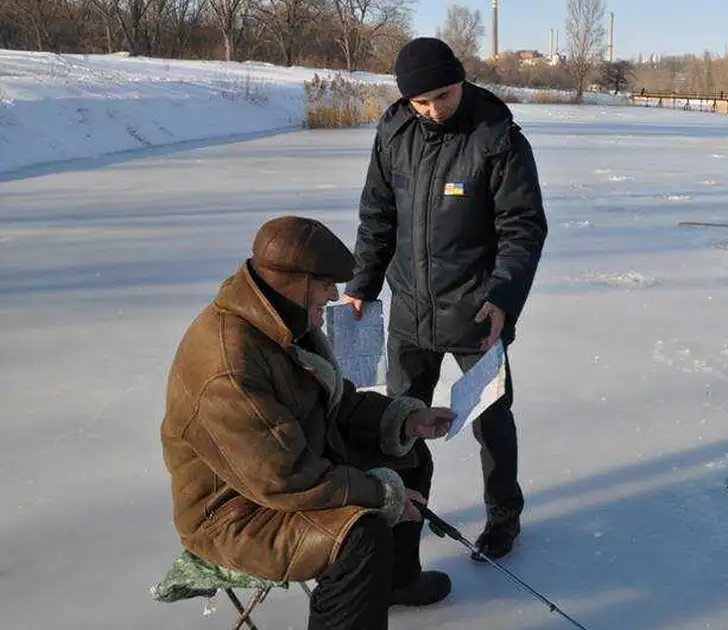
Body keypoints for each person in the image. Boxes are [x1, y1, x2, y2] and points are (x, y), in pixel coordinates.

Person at [160, 215, 456, 630]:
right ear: (291, 281)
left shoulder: (282, 323)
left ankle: (394, 583)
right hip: (236, 511)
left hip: (291, 464)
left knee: (410, 454)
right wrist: (381, 494)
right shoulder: (228, 365)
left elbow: (332, 405)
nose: (333, 295)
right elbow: (284, 477)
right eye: (323, 285)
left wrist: (403, 420)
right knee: (360, 537)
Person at [341, 37, 548, 561]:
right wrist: (362, 284)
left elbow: (522, 228)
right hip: (410, 312)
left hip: (479, 315)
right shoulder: (394, 131)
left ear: (461, 80)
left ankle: (504, 517)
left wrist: (503, 297)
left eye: (444, 95)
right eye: (422, 102)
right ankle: (403, 525)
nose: (434, 110)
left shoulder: (496, 136)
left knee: (491, 420)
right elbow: (377, 217)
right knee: (398, 425)